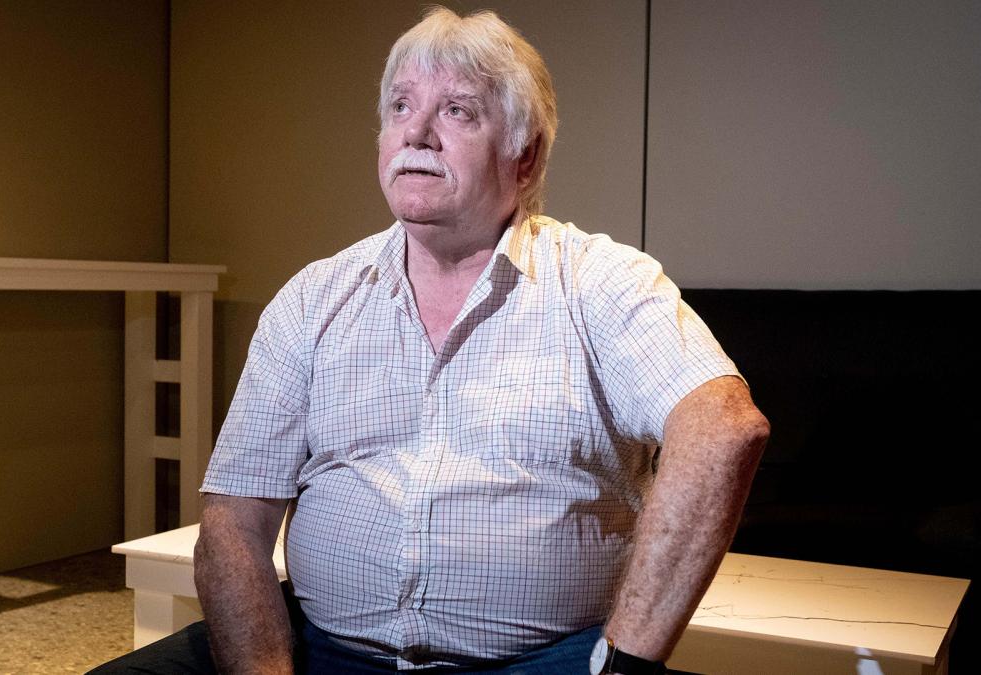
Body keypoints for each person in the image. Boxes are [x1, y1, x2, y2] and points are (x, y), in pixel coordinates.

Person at [95, 6, 768, 674]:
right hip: (322, 650)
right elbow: (234, 520)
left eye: (457, 111)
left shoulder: (601, 282)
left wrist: (624, 667)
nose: (416, 133)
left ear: (525, 156)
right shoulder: (312, 299)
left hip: (541, 661)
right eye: (400, 106)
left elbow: (724, 429)